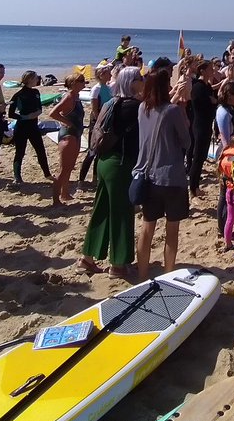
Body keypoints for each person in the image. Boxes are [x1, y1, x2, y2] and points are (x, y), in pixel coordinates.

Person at [80, 65, 142, 277]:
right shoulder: (134, 106)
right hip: (121, 163)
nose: (142, 81)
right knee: (122, 212)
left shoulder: (110, 102)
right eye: (138, 78)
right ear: (131, 82)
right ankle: (118, 263)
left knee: (102, 209)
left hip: (104, 160)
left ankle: (87, 257)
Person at [134, 58, 192, 282]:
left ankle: (142, 275)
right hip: (171, 176)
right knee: (172, 231)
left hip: (148, 176)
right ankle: (167, 273)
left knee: (147, 227)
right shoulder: (173, 111)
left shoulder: (142, 108)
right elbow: (186, 141)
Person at [7, 70, 52, 184]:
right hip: (21, 127)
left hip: (34, 127)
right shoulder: (18, 95)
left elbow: (39, 108)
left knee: (40, 150)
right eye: (36, 77)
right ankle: (17, 178)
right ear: (29, 79)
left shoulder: (36, 92)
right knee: (20, 152)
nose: (38, 79)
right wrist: (26, 117)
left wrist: (38, 113)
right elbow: (11, 114)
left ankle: (47, 174)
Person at [50, 72, 87, 205]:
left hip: (76, 133)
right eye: (81, 80)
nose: (84, 82)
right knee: (63, 169)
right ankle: (55, 199)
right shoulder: (69, 97)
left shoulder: (76, 96)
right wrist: (67, 122)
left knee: (70, 167)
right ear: (73, 83)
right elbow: (53, 113)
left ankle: (65, 193)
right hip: (68, 135)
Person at [214, 80, 234, 240]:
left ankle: (227, 224)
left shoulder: (232, 108)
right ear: (230, 96)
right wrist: (230, 158)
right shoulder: (223, 112)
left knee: (231, 193)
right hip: (228, 153)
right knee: (225, 193)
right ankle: (222, 226)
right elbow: (225, 139)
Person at [187, 58, 218, 199]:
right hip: (199, 124)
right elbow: (200, 106)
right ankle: (193, 187)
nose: (213, 71)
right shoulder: (198, 86)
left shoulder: (207, 87)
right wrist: (211, 102)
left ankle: (195, 185)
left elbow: (213, 103)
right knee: (197, 157)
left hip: (207, 123)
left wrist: (213, 102)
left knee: (202, 157)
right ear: (202, 71)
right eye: (210, 69)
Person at [79, 63, 113, 188]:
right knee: (92, 152)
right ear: (101, 75)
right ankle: (81, 181)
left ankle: (95, 178)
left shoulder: (108, 88)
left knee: (100, 152)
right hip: (97, 122)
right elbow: (94, 109)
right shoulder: (96, 89)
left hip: (106, 121)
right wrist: (100, 122)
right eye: (108, 73)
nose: (110, 74)